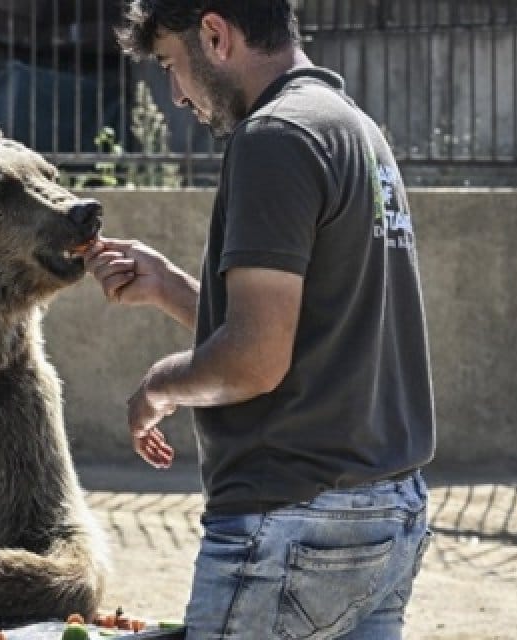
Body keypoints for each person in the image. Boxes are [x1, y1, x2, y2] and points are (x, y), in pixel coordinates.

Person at [85, 2, 436, 637]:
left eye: (170, 64)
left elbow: (254, 360)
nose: (176, 95)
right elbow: (308, 334)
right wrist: (170, 289)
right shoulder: (353, 130)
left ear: (214, 35)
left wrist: (158, 386)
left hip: (292, 518)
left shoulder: (273, 137)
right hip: (386, 513)